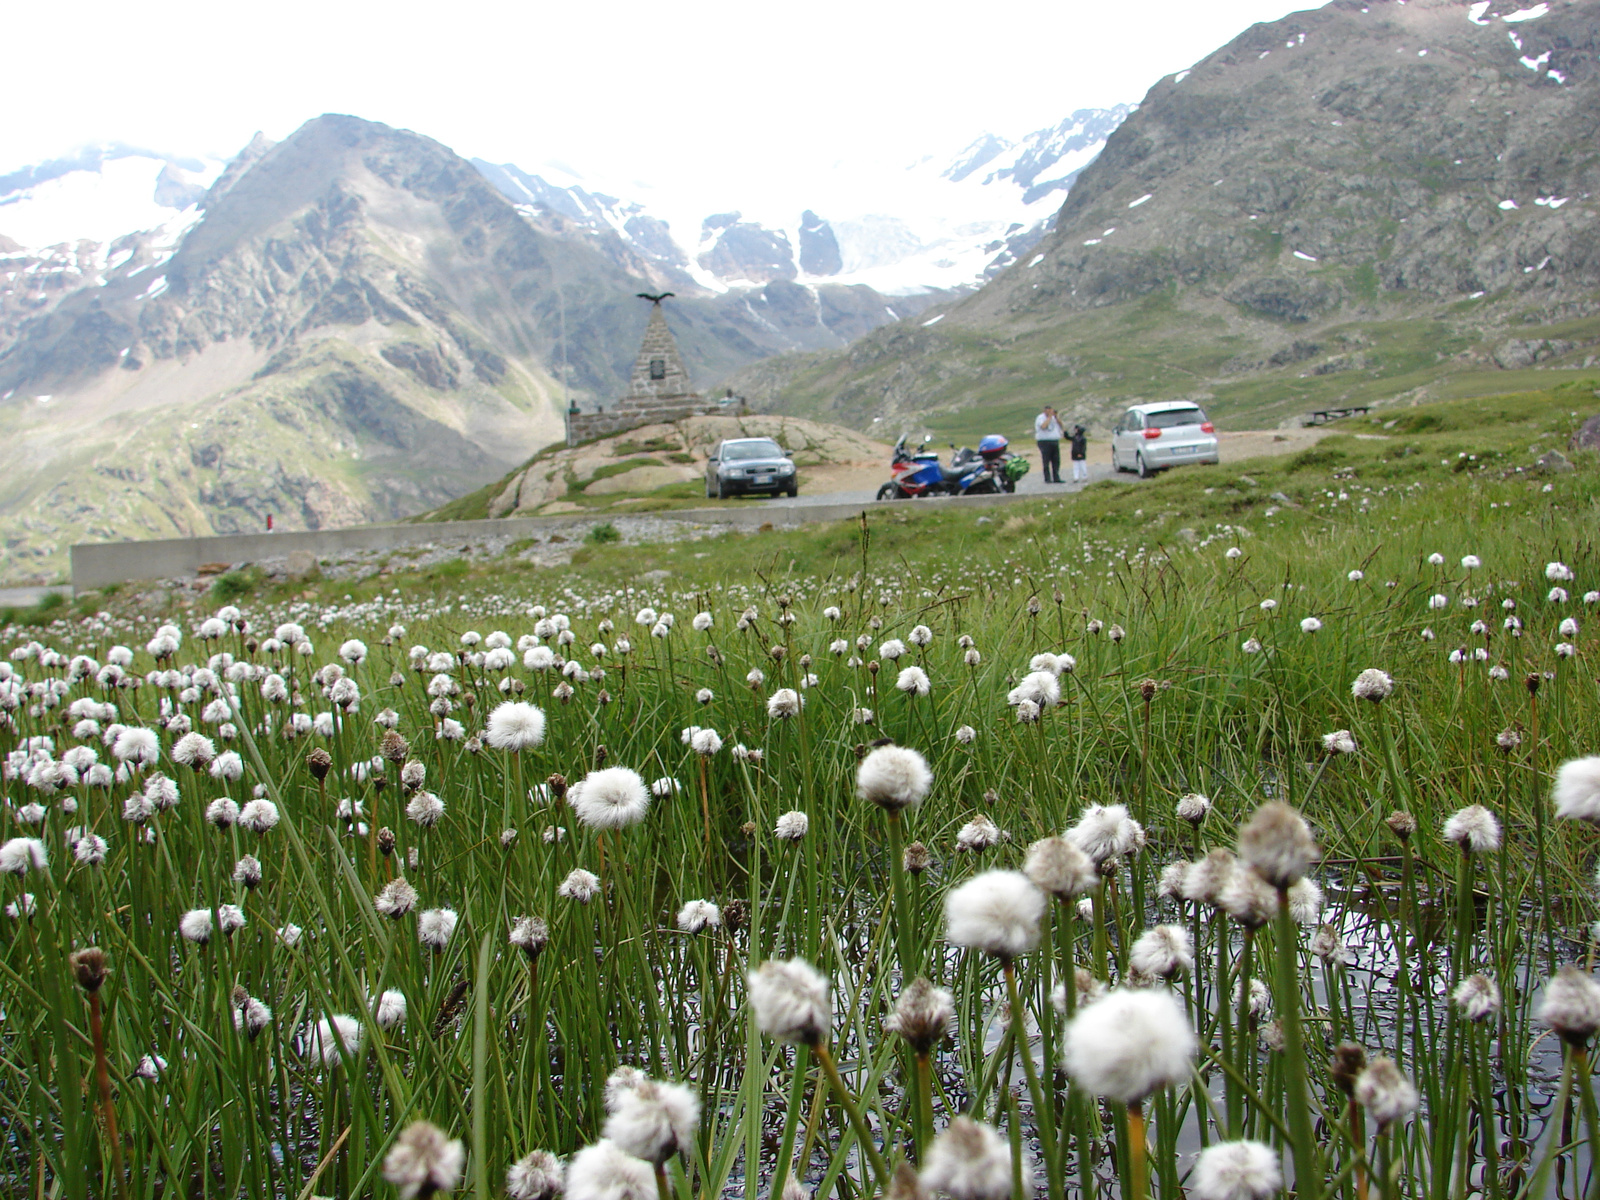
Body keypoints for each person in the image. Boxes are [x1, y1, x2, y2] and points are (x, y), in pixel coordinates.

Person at [1034, 406, 1063, 483]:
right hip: (1044, 441)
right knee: (1046, 460)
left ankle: (1056, 477)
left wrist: (1056, 417)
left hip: (1054, 440)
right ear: (1045, 411)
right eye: (1048, 411)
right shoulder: (1040, 418)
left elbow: (1061, 425)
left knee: (1056, 460)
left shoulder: (1054, 418)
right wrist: (1049, 417)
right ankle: (1047, 478)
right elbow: (1043, 426)